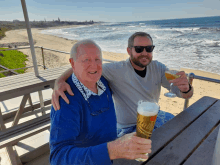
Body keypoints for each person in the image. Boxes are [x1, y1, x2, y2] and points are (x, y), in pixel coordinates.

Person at [51, 32, 194, 138]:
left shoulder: (159, 68)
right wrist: (59, 81)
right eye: (139, 49)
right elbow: (87, 65)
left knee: (184, 133)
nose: (144, 53)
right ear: (129, 50)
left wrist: (186, 88)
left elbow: (184, 94)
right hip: (128, 128)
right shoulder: (116, 69)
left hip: (153, 118)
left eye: (149, 49)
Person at [49, 39, 152, 165]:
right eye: (86, 59)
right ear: (72, 63)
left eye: (97, 59)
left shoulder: (103, 80)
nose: (94, 65)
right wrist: (112, 150)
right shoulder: (66, 100)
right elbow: (58, 157)